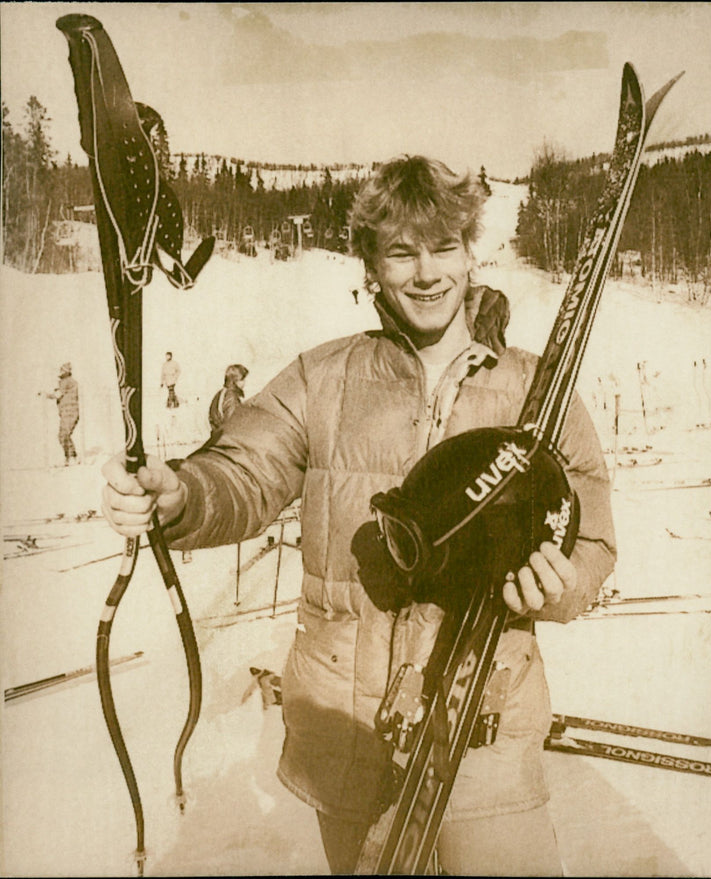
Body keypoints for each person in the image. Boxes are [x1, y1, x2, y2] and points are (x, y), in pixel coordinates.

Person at [101, 156, 615, 875]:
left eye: (443, 247)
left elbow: (591, 541)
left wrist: (555, 586)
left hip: (485, 737)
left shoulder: (538, 390)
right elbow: (241, 474)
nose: (427, 272)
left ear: (472, 254)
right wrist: (181, 497)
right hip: (353, 740)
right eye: (401, 251)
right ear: (371, 264)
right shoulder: (324, 376)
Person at [44, 362, 80, 465]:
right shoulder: (68, 382)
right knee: (63, 435)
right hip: (67, 412)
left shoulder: (66, 382)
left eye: (62, 370)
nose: (60, 373)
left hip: (70, 412)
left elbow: (58, 395)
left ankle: (72, 457)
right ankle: (70, 457)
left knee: (63, 435)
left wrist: (46, 395)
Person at [208, 364, 249, 434]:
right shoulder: (231, 396)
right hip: (226, 437)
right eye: (242, 379)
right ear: (234, 381)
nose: (245, 382)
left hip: (218, 435)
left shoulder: (221, 393)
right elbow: (232, 422)